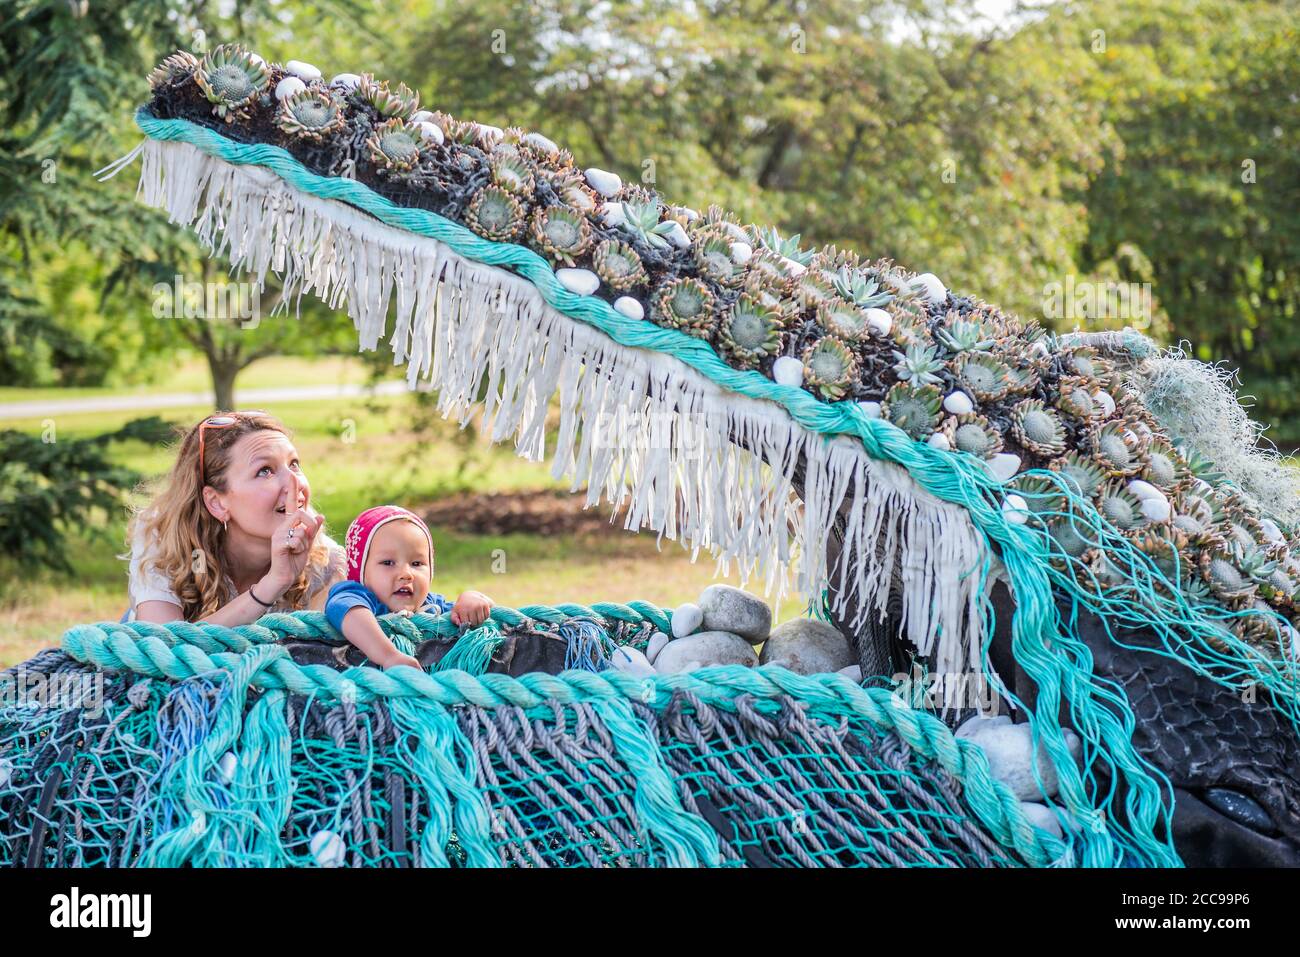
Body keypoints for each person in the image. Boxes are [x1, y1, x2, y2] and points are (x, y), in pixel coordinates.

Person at [124, 409, 344, 624]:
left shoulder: (323, 561)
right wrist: (272, 584)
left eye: (294, 464)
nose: (295, 483)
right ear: (216, 502)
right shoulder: (168, 539)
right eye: (265, 470)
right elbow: (165, 649)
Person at [325, 505, 493, 669]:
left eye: (416, 563)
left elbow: (480, 616)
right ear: (360, 570)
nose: (406, 574)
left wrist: (471, 601)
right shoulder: (357, 596)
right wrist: (388, 656)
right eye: (388, 562)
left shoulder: (431, 606)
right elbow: (345, 610)